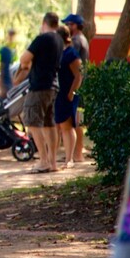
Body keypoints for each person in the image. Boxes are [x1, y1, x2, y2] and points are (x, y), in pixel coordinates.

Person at [14, 12, 64, 173]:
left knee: (32, 121)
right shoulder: (59, 40)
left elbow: (24, 58)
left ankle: (43, 160)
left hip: (39, 86)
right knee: (49, 124)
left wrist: (25, 66)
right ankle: (52, 162)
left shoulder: (42, 39)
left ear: (44, 23)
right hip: (53, 85)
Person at [53, 26, 83, 167]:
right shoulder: (61, 53)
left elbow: (78, 75)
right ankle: (60, 157)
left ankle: (69, 158)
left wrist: (71, 93)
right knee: (60, 125)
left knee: (67, 126)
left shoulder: (71, 54)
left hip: (67, 94)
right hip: (60, 94)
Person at [62, 14, 89, 166]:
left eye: (69, 24)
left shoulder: (77, 41)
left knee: (76, 120)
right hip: (80, 86)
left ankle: (77, 154)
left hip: (77, 86)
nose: (67, 27)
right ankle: (76, 153)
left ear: (76, 25)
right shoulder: (81, 39)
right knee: (77, 119)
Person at [0, 29, 16, 98]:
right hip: (5, 82)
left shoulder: (11, 51)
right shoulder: (4, 50)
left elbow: (10, 67)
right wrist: (1, 86)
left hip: (9, 81)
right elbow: (1, 67)